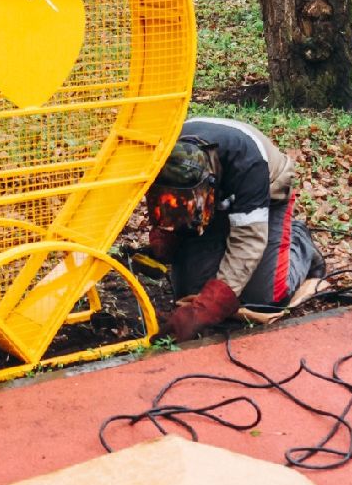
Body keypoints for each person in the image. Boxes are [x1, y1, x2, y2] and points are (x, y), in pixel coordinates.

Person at [140, 117, 327, 342]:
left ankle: (299, 241)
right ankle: (217, 231)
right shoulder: (161, 153)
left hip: (266, 197)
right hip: (214, 204)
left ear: (210, 181)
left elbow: (248, 240)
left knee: (264, 300)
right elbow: (165, 203)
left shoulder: (248, 164)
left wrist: (208, 307)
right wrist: (165, 235)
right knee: (189, 291)